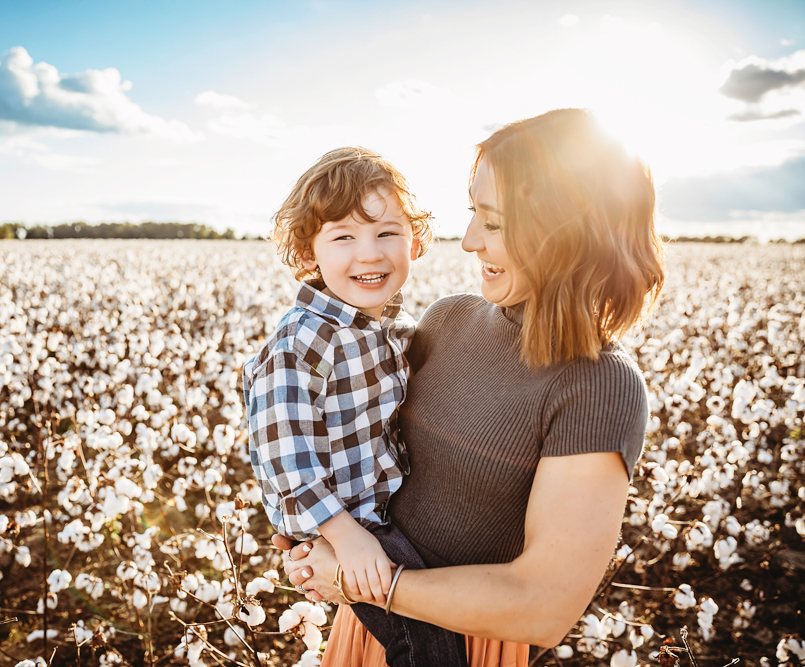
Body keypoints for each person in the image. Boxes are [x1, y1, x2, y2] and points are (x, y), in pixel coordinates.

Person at [275, 108, 666, 667]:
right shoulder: (445, 321)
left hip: (460, 645)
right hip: (366, 626)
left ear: (570, 232)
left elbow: (542, 607)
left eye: (495, 222)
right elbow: (354, 447)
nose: (469, 241)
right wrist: (320, 540)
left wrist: (367, 582)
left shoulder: (601, 386)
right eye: (472, 214)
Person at [243, 147, 469, 667]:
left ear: (414, 241)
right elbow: (284, 458)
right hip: (347, 522)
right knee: (429, 643)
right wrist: (348, 540)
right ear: (308, 255)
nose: (369, 253)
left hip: (376, 513)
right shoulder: (302, 343)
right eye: (343, 237)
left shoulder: (389, 328)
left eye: (387, 233)